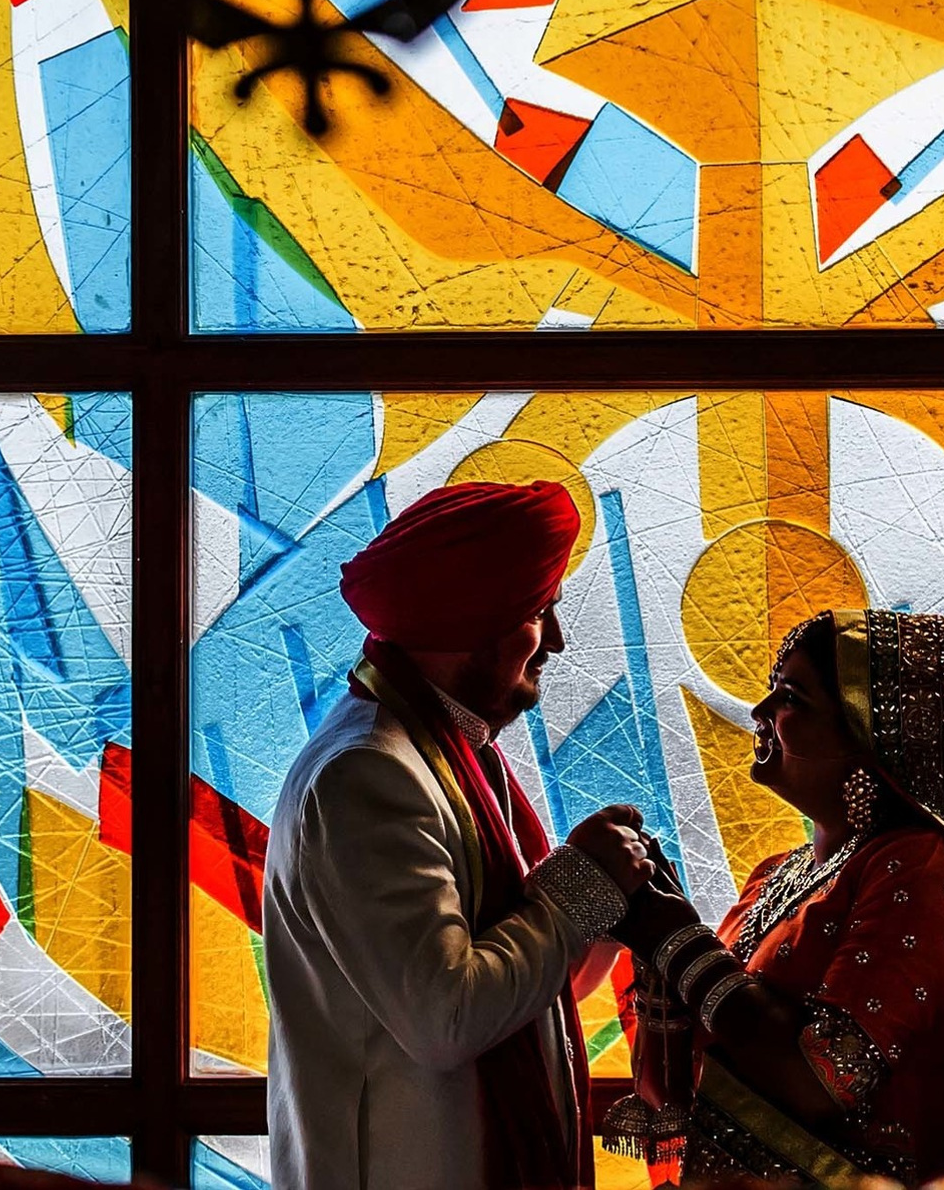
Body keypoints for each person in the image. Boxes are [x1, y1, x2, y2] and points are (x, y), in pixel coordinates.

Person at [264, 480, 660, 1190]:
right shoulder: (366, 777)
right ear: (476, 621)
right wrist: (577, 886)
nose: (558, 641)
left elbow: (520, 990)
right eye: (541, 612)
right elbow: (447, 1014)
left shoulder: (448, 755)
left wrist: (610, 902)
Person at [595, 610, 944, 1187]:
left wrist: (674, 939)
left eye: (791, 699)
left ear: (872, 739)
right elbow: (673, 1092)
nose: (760, 713)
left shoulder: (924, 871)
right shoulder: (779, 875)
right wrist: (653, 928)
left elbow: (821, 1078)